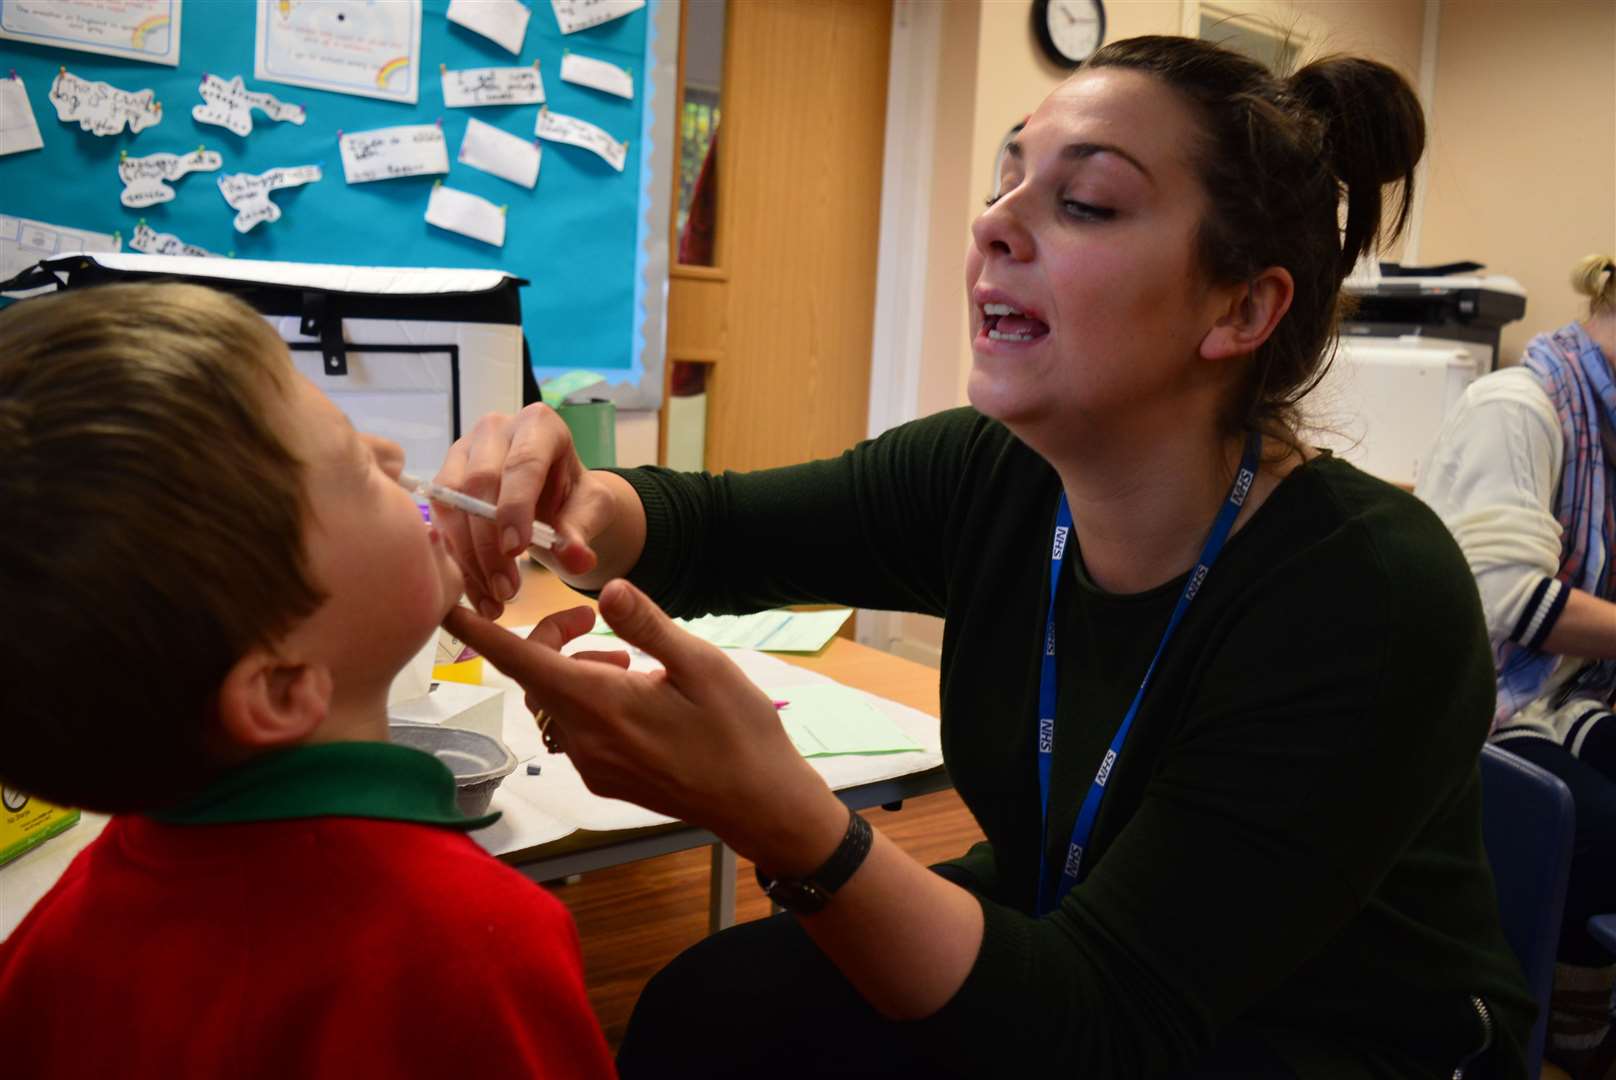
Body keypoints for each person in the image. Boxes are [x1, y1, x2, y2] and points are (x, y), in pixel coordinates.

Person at [438, 36, 1533, 1079]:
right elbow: (717, 529)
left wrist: (781, 820)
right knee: (711, 1013)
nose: (994, 226)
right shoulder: (995, 474)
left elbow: (1098, 1031)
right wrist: (570, 499)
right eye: (1004, 182)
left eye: (1084, 202)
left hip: (1312, 1035)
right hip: (1063, 936)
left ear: (1240, 306)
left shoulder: (1366, 595)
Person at [0, 283, 616, 1079]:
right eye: (360, 470)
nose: (396, 458)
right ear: (284, 690)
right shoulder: (478, 948)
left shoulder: (52, 942)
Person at [1417, 253, 1616, 1078]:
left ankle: (1575, 1008)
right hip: (1487, 703)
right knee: (1597, 826)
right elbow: (1511, 602)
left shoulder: (1604, 424)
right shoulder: (1521, 407)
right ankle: (1541, 1024)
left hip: (1566, 696)